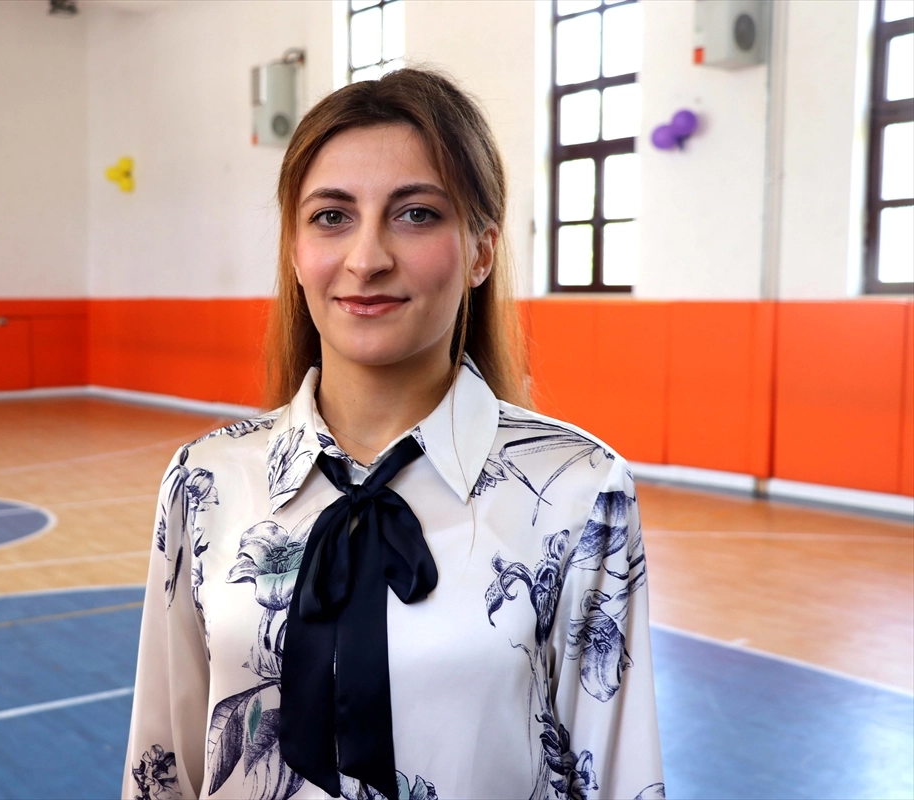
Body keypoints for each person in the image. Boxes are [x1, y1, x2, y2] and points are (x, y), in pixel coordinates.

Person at [124, 68, 665, 800]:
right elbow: (161, 765)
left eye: (415, 214)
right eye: (331, 216)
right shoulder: (205, 480)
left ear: (481, 251)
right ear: (295, 252)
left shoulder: (580, 491)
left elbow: (613, 780)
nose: (367, 258)